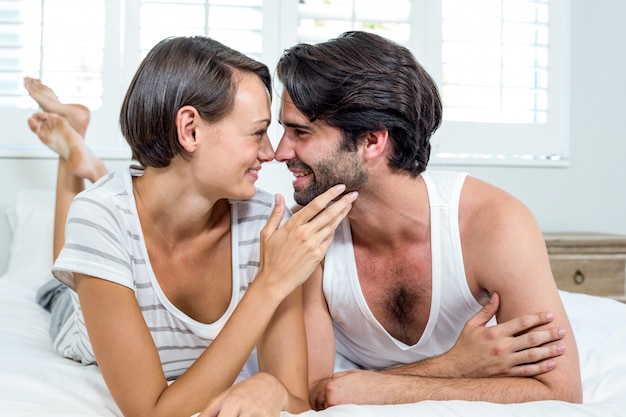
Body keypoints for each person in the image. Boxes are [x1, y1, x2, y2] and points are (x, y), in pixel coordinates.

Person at [26, 36, 358, 417]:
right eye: (257, 132)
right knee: (61, 278)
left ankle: (91, 165)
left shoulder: (265, 224)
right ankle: (73, 158)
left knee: (104, 222)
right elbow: (150, 412)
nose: (271, 153)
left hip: (122, 227)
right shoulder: (99, 220)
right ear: (190, 130)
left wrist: (273, 389)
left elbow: (294, 401)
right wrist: (270, 284)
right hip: (78, 322)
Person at [273, 31, 583, 408]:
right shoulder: (309, 234)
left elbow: (561, 393)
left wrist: (381, 387)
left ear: (372, 141)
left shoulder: (493, 223)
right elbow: (314, 394)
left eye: (300, 132)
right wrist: (454, 365)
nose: (279, 151)